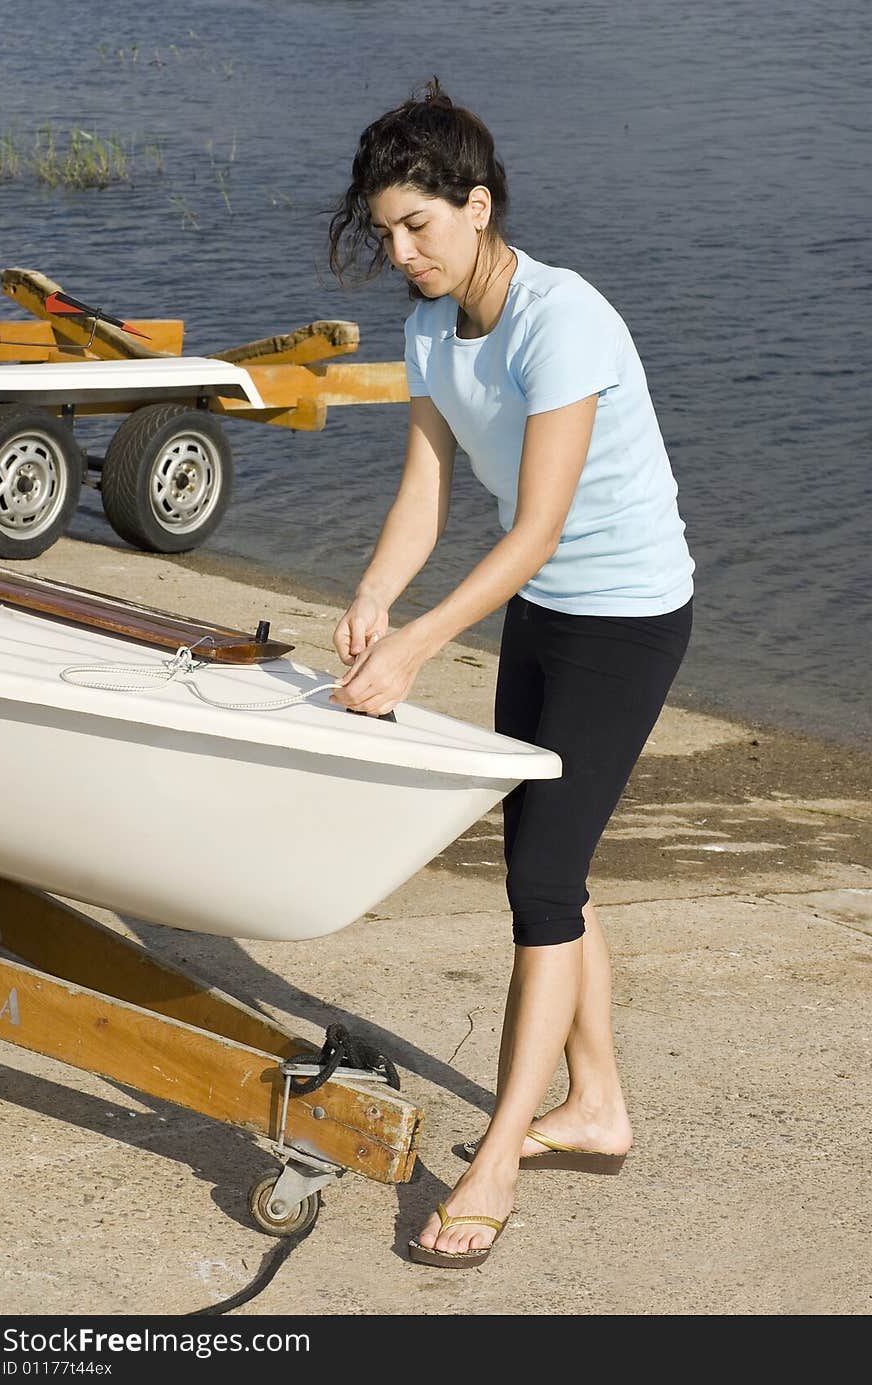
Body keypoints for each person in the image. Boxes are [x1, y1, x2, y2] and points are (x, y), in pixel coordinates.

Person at [327, 79, 694, 1269]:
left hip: (628, 615)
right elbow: (426, 494)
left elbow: (536, 524)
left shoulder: (562, 318)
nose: (401, 251)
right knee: (549, 864)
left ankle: (494, 1164)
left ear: (477, 207)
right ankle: (595, 1106)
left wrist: (420, 644)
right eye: (385, 230)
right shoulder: (429, 329)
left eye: (419, 226)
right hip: (541, 612)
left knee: (542, 878)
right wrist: (379, 593)